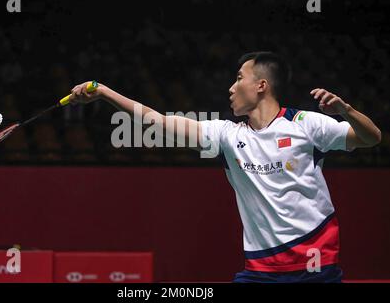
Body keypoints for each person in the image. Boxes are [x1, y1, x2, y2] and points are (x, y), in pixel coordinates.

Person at [68, 51, 381, 283]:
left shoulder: (305, 124)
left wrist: (346, 110)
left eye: (239, 78)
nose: (231, 87)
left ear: (261, 85)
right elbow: (159, 122)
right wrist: (104, 92)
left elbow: (370, 138)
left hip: (316, 266)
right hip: (261, 271)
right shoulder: (227, 136)